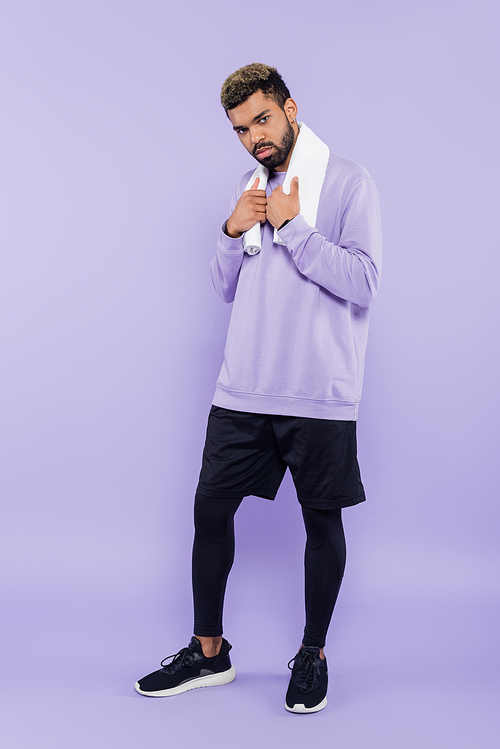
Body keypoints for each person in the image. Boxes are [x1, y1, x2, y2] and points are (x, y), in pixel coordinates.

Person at [135, 63, 382, 713]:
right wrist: (231, 229)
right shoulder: (249, 183)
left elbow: (363, 283)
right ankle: (209, 651)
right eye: (241, 129)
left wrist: (295, 228)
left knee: (320, 522)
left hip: (319, 394)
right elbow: (226, 287)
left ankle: (313, 653)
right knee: (209, 511)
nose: (253, 138)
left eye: (262, 120)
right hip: (243, 389)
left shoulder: (350, 182)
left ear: (290, 107)